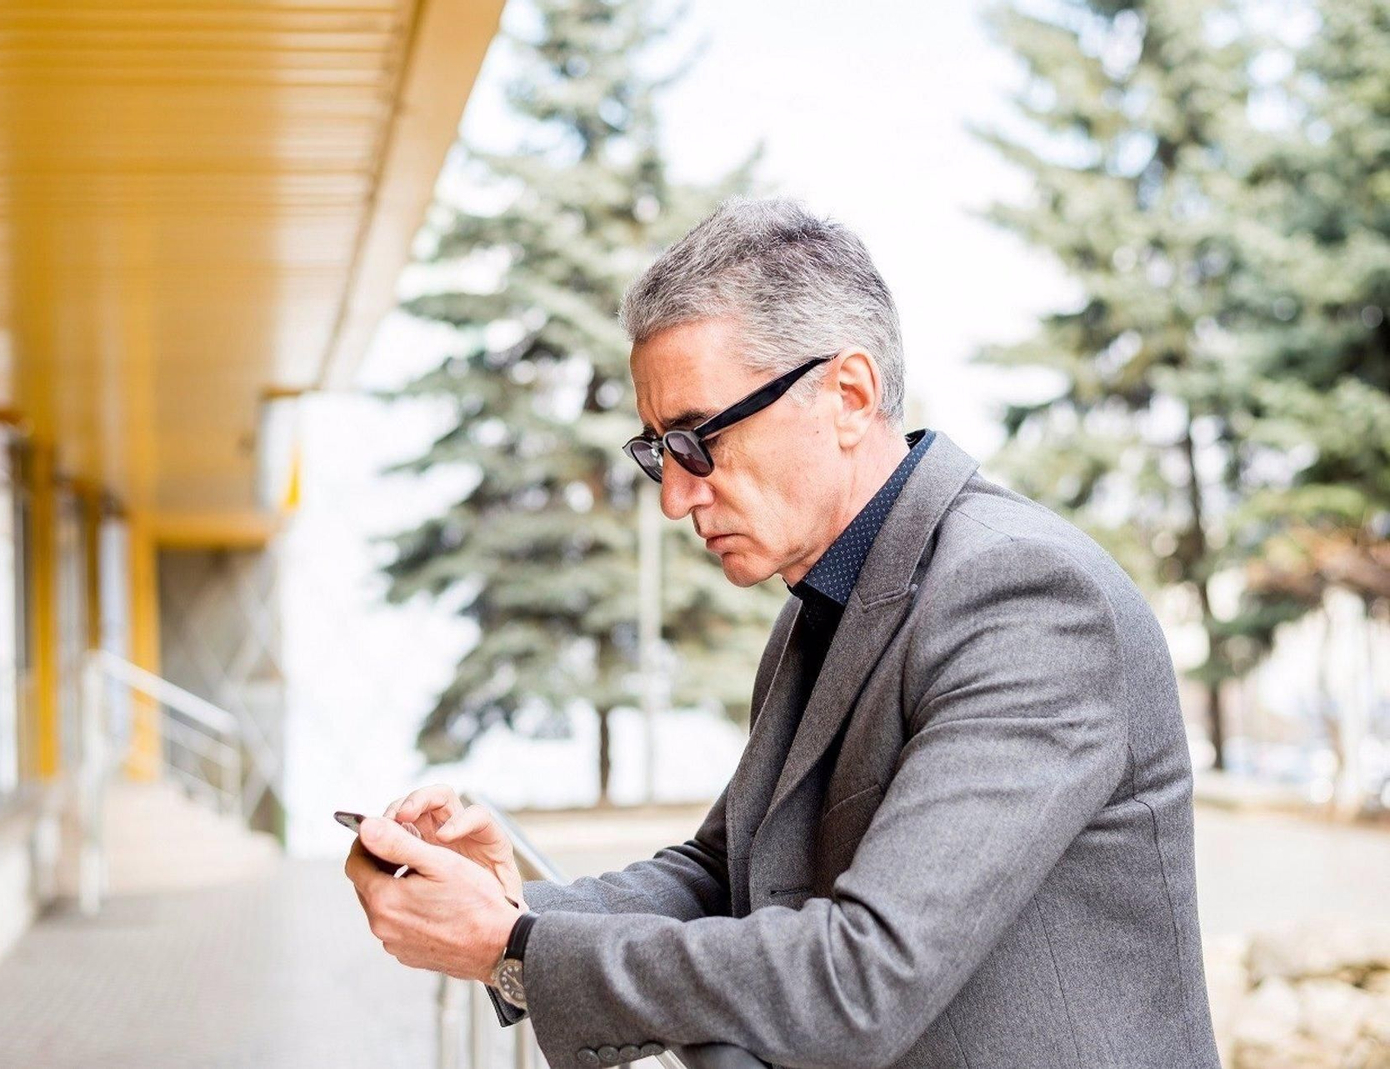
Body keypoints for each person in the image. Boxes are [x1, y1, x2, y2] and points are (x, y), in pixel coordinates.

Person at [345, 198, 1221, 1069]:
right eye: (658, 449)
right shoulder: (826, 599)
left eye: (699, 440)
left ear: (848, 393)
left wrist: (518, 947)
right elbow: (722, 876)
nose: (674, 496)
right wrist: (517, 904)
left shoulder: (1026, 598)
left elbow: (861, 974)